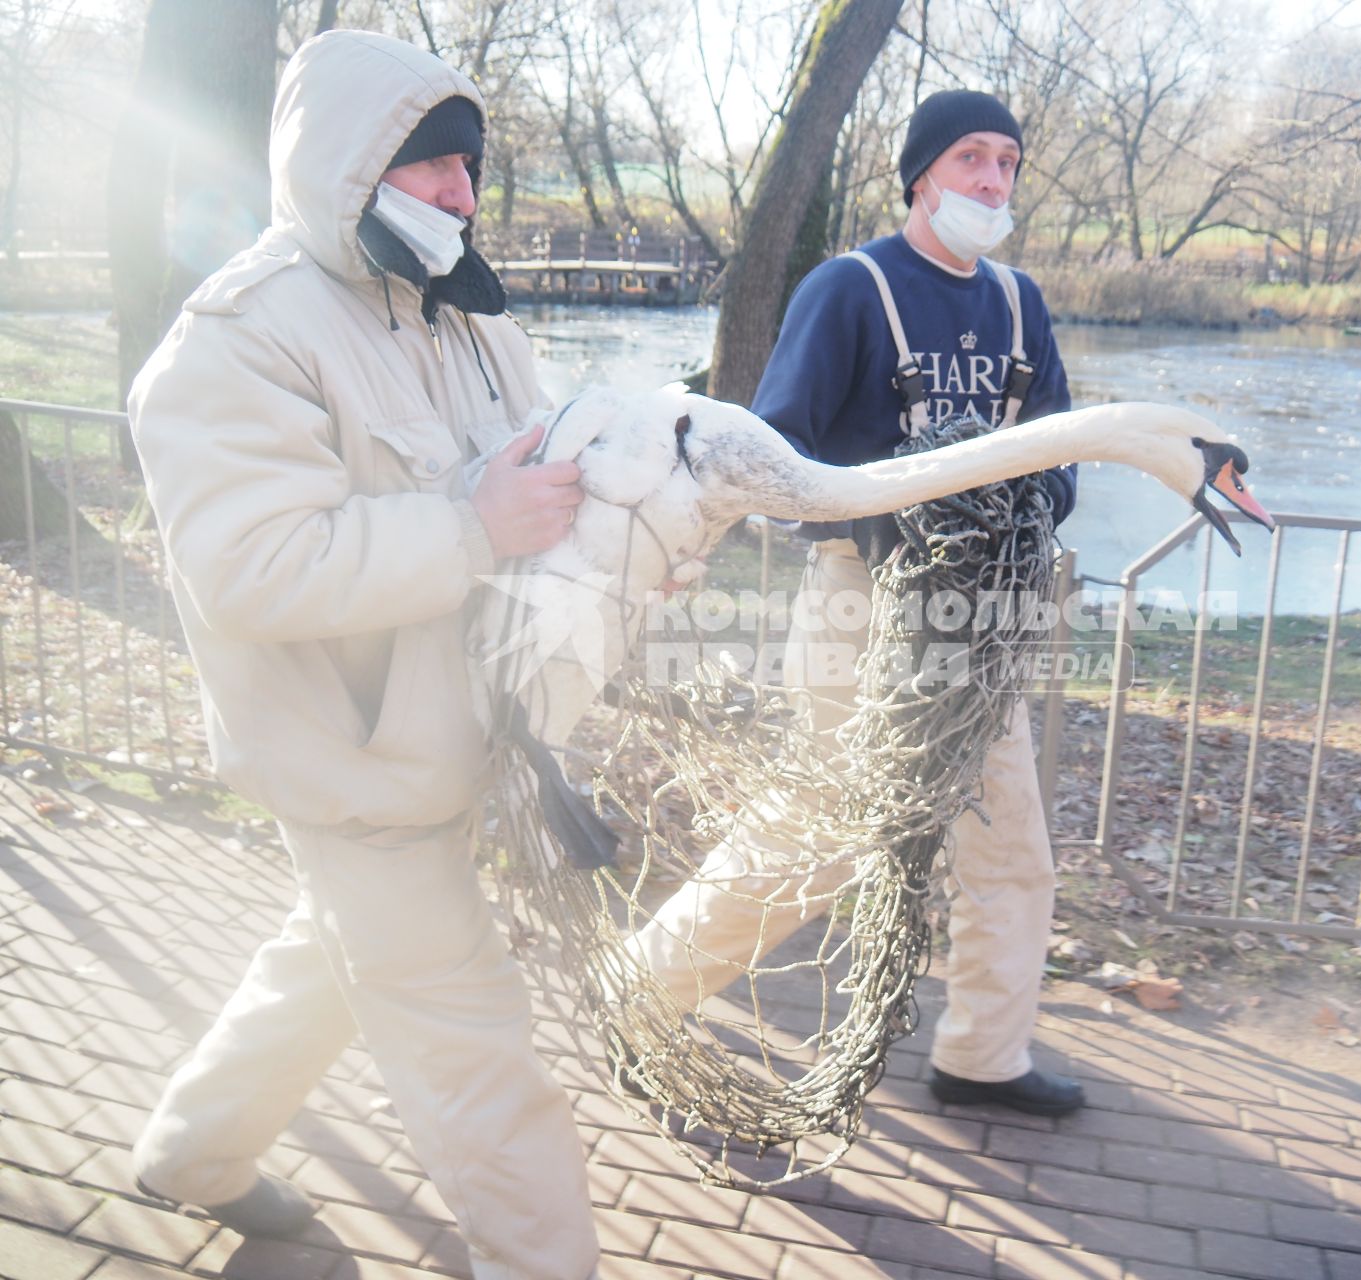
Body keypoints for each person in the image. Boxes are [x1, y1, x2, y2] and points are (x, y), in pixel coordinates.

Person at [127, 30, 600, 1278]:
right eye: (433, 164)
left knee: (326, 961)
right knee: (476, 1045)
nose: (462, 192)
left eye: (471, 168)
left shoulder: (471, 316)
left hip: (465, 744)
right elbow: (250, 569)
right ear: (344, 163)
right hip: (356, 771)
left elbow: (541, 485)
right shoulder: (234, 337)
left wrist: (633, 528)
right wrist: (469, 524)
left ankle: (189, 1154)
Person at [629, 90, 1084, 1117]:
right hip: (864, 619)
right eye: (971, 157)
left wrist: (1014, 504)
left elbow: (1061, 463)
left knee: (1011, 845)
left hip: (982, 631)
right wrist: (906, 512)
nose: (992, 179)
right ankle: (641, 992)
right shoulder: (850, 289)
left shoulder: (1020, 305)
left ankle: (984, 1054)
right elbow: (774, 460)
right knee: (817, 839)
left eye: (1008, 162)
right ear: (921, 173)